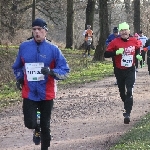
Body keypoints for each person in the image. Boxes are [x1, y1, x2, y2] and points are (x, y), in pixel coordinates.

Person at [12, 18, 70, 150]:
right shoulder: (24, 47)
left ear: (46, 32)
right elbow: (17, 67)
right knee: (30, 122)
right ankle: (35, 128)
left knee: (46, 125)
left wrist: (51, 72)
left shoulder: (53, 49)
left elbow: (65, 70)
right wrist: (20, 77)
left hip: (47, 92)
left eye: (40, 29)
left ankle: (45, 146)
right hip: (29, 91)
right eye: (34, 29)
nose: (37, 32)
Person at [104, 22, 142, 124]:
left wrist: (138, 56)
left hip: (130, 69)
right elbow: (106, 54)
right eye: (122, 30)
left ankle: (127, 113)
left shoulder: (134, 40)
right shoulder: (115, 42)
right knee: (122, 92)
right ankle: (126, 105)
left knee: (129, 90)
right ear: (119, 32)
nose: (124, 32)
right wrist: (116, 53)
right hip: (119, 70)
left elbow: (138, 48)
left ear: (129, 31)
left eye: (126, 30)